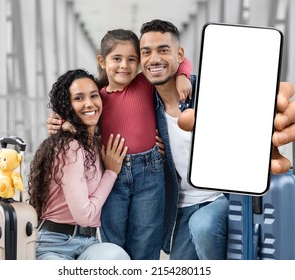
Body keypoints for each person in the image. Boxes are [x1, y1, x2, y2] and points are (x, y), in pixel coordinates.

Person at [138, 19, 295, 259]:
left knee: (203, 225)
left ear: (179, 55)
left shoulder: (211, 90)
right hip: (181, 207)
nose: (153, 59)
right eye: (146, 52)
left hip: (221, 198)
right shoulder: (145, 105)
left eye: (163, 50)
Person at [47, 29, 192, 260]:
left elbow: (179, 60)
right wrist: (59, 123)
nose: (124, 65)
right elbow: (74, 115)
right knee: (113, 241)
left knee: (146, 237)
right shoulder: (97, 98)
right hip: (112, 173)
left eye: (132, 59)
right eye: (117, 59)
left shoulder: (144, 84)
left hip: (150, 173)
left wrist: (183, 75)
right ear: (102, 61)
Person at [28, 69, 130, 260]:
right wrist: (111, 173)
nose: (89, 104)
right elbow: (84, 215)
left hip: (89, 243)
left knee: (118, 259)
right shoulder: (69, 146)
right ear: (68, 107)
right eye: (78, 98)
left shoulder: (97, 144)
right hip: (53, 244)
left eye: (94, 96)